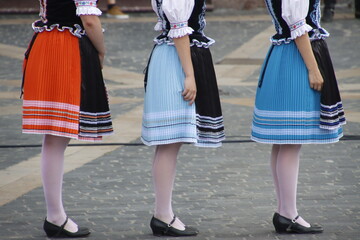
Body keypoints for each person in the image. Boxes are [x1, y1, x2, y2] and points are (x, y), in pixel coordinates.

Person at [251, 0, 345, 234]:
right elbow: (297, 24)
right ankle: (288, 213)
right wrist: (313, 68)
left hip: (282, 56)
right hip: (296, 59)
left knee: (283, 141)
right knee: (291, 141)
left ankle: (285, 211)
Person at [21, 0, 113, 238]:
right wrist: (101, 51)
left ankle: (56, 214)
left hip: (45, 43)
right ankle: (55, 216)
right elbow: (90, 20)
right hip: (65, 49)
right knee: (57, 137)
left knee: (53, 136)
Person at [141, 0, 225, 237]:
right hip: (174, 61)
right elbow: (178, 28)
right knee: (169, 143)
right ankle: (163, 215)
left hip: (168, 56)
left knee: (168, 144)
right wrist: (190, 74)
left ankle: (163, 213)